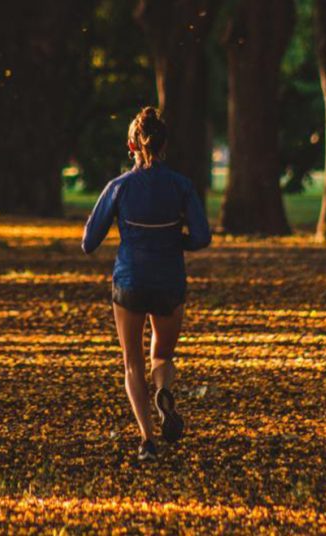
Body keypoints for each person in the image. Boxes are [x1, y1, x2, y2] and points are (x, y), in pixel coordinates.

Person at [82, 106, 212, 461]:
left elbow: (89, 242)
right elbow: (202, 236)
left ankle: (147, 440)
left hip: (129, 280)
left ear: (131, 145)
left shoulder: (118, 187)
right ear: (165, 145)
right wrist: (173, 241)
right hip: (169, 278)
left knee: (132, 362)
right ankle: (164, 393)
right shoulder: (182, 186)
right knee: (163, 354)